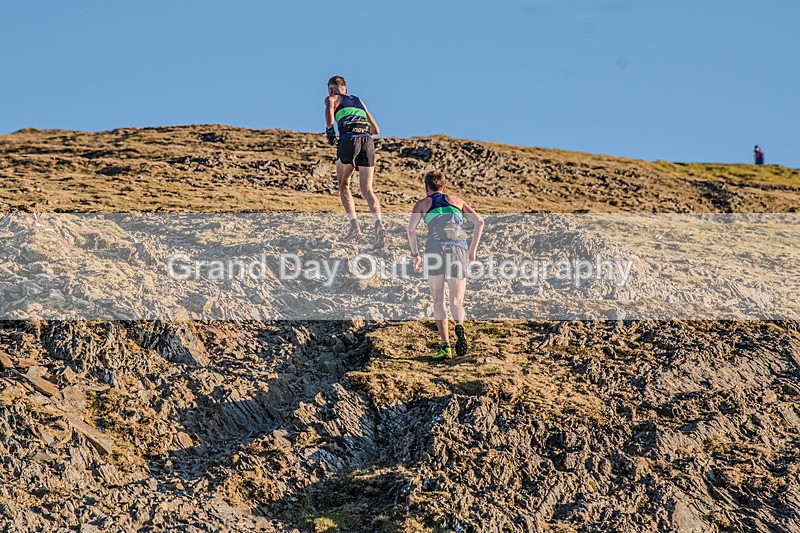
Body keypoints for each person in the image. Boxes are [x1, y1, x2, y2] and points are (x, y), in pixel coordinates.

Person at [407, 170, 484, 360]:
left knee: (438, 301)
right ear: (444, 187)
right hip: (458, 249)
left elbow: (411, 230)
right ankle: (460, 325)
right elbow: (480, 222)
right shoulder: (457, 200)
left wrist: (416, 255)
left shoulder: (422, 204)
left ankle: (446, 347)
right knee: (457, 302)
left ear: (426, 188)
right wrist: (472, 250)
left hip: (435, 251)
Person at [324, 76, 385, 246]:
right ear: (346, 90)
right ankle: (379, 223)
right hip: (367, 142)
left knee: (344, 184)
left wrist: (330, 130)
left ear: (331, 89)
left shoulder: (332, 98)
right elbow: (377, 129)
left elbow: (330, 108)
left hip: (349, 140)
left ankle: (354, 227)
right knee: (367, 188)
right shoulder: (358, 100)